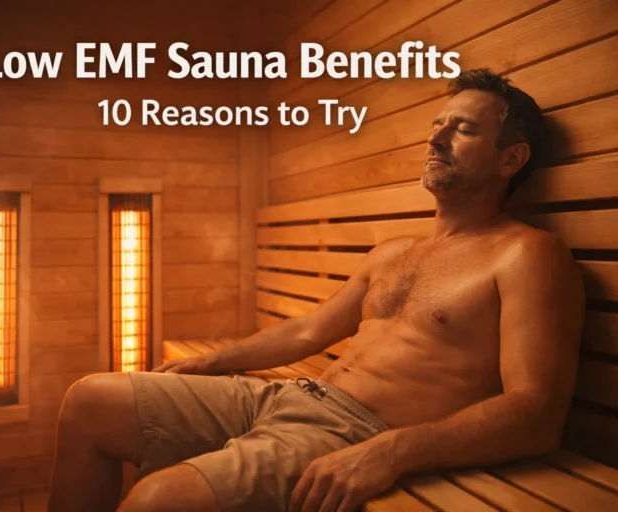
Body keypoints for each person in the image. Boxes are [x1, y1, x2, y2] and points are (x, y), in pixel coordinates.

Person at [48, 68, 585, 512]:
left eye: (462, 129)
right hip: (295, 398)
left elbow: (536, 413)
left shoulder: (527, 254)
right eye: (437, 124)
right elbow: (310, 329)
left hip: (361, 431)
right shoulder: (395, 251)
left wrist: (393, 450)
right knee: (90, 400)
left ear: (510, 160)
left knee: (155, 502)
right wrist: (211, 363)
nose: (436, 138)